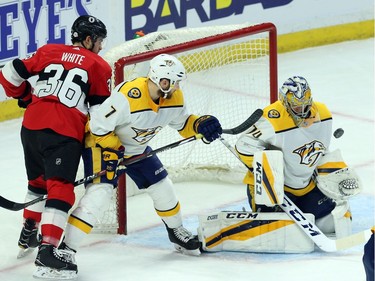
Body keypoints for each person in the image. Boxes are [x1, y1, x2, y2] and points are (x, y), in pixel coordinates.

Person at [60, 53, 222, 260]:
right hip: (103, 146)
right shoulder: (129, 95)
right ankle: (66, 248)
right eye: (175, 82)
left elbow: (183, 124)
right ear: (163, 82)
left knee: (163, 186)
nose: (178, 87)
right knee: (99, 195)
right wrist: (115, 150)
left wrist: (200, 124)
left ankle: (176, 231)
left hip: (136, 149)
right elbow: (97, 127)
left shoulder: (175, 98)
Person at [0, 15, 112, 279]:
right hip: (63, 132)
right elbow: (100, 116)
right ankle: (47, 250)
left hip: (31, 127)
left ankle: (29, 230)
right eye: (98, 41)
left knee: (38, 183)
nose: (100, 47)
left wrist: (26, 97)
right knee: (60, 189)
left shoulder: (48, 50)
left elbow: (7, 74)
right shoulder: (99, 65)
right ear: (88, 39)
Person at [235, 76, 361, 240]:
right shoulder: (272, 119)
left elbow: (322, 151)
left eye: (305, 105)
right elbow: (243, 146)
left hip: (305, 186)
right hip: (272, 188)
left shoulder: (323, 114)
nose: (302, 111)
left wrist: (331, 173)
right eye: (296, 106)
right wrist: (268, 169)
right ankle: (268, 212)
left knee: (332, 224)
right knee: (278, 234)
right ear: (285, 103)